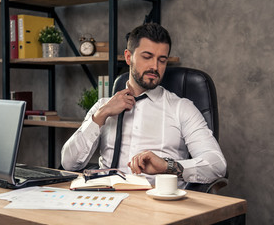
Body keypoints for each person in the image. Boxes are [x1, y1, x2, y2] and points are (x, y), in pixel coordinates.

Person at [61, 23, 227, 189]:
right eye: (147, 57)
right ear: (128, 57)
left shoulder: (181, 108)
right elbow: (69, 163)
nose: (155, 67)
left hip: (157, 205)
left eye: (162, 60)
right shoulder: (103, 107)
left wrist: (166, 166)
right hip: (105, 199)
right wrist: (100, 116)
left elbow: (217, 164)